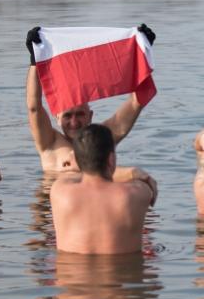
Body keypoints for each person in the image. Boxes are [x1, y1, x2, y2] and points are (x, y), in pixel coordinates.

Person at [25, 24, 155, 172]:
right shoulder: (50, 143)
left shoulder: (101, 138)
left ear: (90, 116)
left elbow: (135, 103)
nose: (74, 122)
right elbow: (33, 107)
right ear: (57, 117)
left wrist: (143, 51)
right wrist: (35, 62)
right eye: (68, 116)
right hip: (54, 193)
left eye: (80, 114)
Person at [50, 125, 158, 254]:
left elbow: (72, 176)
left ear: (78, 162)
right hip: (121, 272)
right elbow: (144, 182)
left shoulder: (59, 192)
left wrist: (82, 163)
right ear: (111, 160)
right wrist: (133, 172)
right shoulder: (136, 194)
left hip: (73, 271)